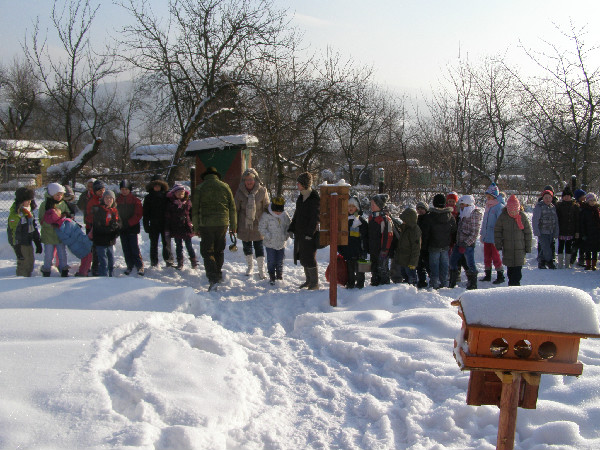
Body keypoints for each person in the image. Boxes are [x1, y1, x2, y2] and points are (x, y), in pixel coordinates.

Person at [191, 167, 237, 289]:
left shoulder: (200, 188)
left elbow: (195, 210)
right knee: (219, 250)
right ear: (216, 175)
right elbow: (232, 207)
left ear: (206, 176)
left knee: (208, 251)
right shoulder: (225, 186)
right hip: (222, 223)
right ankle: (218, 273)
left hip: (206, 224)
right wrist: (233, 225)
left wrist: (196, 227)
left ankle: (213, 278)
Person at [43, 196, 93, 277]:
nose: (57, 209)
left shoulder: (59, 227)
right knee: (87, 257)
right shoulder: (65, 224)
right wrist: (87, 239)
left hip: (75, 246)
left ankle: (83, 270)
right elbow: (76, 234)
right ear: (56, 216)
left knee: (85, 258)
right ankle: (83, 273)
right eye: (56, 210)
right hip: (80, 244)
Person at [235, 168, 269, 279]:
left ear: (255, 179)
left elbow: (266, 207)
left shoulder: (262, 191)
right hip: (244, 224)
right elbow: (236, 209)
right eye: (246, 179)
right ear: (243, 181)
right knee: (247, 246)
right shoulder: (239, 192)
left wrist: (267, 222)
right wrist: (234, 224)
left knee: (259, 246)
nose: (249, 182)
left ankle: (261, 270)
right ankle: (250, 267)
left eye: (251, 179)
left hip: (258, 223)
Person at [289, 172, 321, 290]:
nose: (297, 184)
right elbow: (297, 214)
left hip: (309, 234)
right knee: (302, 257)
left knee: (309, 257)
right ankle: (308, 280)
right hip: (300, 233)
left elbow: (315, 218)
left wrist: (310, 233)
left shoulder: (314, 198)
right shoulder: (301, 197)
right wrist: (292, 227)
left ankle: (314, 283)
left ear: (304, 184)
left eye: (299, 183)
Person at [494, 195, 532, 286]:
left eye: (514, 210)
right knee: (510, 271)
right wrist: (498, 244)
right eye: (510, 210)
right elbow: (497, 231)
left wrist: (528, 247)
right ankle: (511, 286)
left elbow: (528, 233)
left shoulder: (522, 216)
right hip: (508, 249)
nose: (512, 212)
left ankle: (516, 287)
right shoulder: (503, 217)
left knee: (517, 272)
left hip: (520, 248)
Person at [421, 193, 456, 289]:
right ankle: (444, 282)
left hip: (433, 245)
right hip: (445, 245)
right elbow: (454, 229)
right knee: (444, 265)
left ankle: (434, 283)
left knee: (434, 266)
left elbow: (426, 233)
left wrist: (424, 246)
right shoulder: (450, 216)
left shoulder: (429, 216)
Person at [449, 194, 483, 290]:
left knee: (470, 263)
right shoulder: (463, 213)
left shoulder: (474, 214)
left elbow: (474, 232)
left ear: (468, 204)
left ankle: (472, 283)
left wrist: (466, 243)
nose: (461, 206)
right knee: (452, 261)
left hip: (468, 244)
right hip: (459, 242)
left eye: (463, 204)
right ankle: (453, 281)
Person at [8, 187, 42, 276]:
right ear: (21, 201)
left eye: (30, 200)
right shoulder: (16, 215)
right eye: (27, 200)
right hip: (20, 243)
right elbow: (13, 232)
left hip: (28, 241)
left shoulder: (29, 213)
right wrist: (17, 247)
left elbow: (33, 228)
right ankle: (21, 279)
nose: (29, 202)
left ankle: (27, 278)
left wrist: (37, 242)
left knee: (30, 262)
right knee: (24, 263)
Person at [258, 196, 291, 285]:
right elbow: (261, 228)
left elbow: (289, 226)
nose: (278, 213)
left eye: (280, 211)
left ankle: (279, 275)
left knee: (280, 260)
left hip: (281, 243)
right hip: (270, 243)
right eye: (277, 211)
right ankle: (272, 275)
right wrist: (268, 236)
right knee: (271, 260)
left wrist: (286, 235)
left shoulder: (285, 215)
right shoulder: (266, 216)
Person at [39, 183, 70, 277]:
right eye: (57, 195)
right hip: (49, 234)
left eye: (61, 195)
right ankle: (46, 269)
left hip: (60, 234)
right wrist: (50, 224)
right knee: (48, 254)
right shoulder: (45, 204)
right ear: (52, 194)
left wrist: (65, 216)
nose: (59, 197)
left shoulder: (63, 204)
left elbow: (68, 213)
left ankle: (64, 268)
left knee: (62, 253)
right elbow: (41, 219)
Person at [338, 194, 368, 289]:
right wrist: (340, 248)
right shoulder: (344, 220)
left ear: (357, 208)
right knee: (350, 268)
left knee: (360, 269)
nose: (350, 208)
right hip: (348, 249)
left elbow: (366, 236)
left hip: (360, 249)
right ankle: (350, 283)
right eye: (349, 206)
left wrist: (365, 248)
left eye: (353, 206)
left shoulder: (360, 221)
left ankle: (360, 284)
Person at [143, 175, 174, 267]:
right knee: (153, 244)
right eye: (155, 185)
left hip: (165, 223)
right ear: (152, 186)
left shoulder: (167, 196)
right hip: (153, 223)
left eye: (159, 185)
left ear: (162, 186)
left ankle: (169, 260)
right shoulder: (148, 197)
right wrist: (146, 225)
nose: (157, 187)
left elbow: (172, 210)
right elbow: (145, 213)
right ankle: (154, 262)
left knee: (166, 243)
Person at [165, 184, 197, 270]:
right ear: (174, 193)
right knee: (178, 246)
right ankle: (180, 262)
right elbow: (168, 216)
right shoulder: (171, 204)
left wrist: (193, 224)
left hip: (186, 226)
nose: (180, 195)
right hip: (176, 227)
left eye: (182, 193)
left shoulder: (188, 202)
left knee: (189, 245)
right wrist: (168, 228)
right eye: (178, 193)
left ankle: (193, 261)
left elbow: (192, 214)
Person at [116, 179, 145, 276]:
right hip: (121, 227)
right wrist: (119, 222)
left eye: (126, 189)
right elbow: (114, 212)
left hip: (132, 227)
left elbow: (138, 214)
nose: (124, 191)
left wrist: (129, 223)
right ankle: (129, 265)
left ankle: (139, 265)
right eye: (122, 189)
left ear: (129, 190)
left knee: (134, 247)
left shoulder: (135, 200)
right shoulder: (117, 200)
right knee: (126, 247)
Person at [479, 183, 506, 284]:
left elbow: (500, 223)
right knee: (487, 256)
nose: (488, 199)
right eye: (487, 197)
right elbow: (485, 221)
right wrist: (482, 233)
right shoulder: (488, 206)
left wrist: (500, 236)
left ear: (494, 196)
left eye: (489, 197)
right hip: (487, 236)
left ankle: (500, 275)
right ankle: (488, 274)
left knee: (495, 256)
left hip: (494, 237)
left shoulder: (499, 207)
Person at [92, 190, 121, 277]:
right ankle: (103, 279)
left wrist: (116, 229)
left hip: (110, 241)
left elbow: (119, 223)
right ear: (103, 199)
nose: (108, 200)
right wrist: (109, 229)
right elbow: (97, 226)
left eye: (110, 198)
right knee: (103, 262)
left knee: (111, 261)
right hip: (100, 241)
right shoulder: (99, 210)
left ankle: (111, 277)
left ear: (113, 200)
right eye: (106, 198)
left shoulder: (114, 211)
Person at [367, 193, 394, 286]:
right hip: (373, 248)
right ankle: (375, 281)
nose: (371, 206)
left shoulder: (384, 219)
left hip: (382, 249)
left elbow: (388, 235)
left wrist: (385, 249)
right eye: (371, 204)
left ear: (379, 206)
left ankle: (384, 284)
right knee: (373, 266)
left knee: (382, 267)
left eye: (373, 204)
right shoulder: (371, 217)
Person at [391, 207, 422, 286]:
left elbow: (416, 249)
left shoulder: (414, 230)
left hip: (410, 261)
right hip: (403, 259)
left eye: (404, 220)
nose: (403, 222)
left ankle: (412, 288)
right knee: (404, 275)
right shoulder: (404, 228)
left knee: (411, 276)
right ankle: (406, 288)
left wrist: (413, 262)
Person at [532, 189, 559, 269]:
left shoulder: (553, 207)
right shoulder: (539, 207)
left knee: (546, 247)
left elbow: (556, 220)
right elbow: (535, 220)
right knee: (546, 248)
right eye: (546, 198)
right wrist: (536, 231)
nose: (547, 199)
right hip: (542, 231)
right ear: (543, 198)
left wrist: (556, 231)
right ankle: (549, 262)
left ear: (552, 198)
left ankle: (541, 262)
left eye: (549, 198)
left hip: (551, 231)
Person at [85, 179, 106, 276]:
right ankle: (95, 266)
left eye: (102, 190)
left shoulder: (106, 198)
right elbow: (89, 215)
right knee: (95, 248)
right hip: (93, 228)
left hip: (104, 228)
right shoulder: (92, 201)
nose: (101, 192)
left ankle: (103, 264)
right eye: (99, 190)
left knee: (103, 248)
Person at [555, 186, 579, 269]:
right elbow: (556, 218)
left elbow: (577, 220)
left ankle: (567, 263)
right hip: (561, 230)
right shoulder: (559, 206)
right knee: (560, 246)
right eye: (565, 196)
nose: (566, 197)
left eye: (568, 196)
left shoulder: (575, 207)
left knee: (568, 247)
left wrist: (576, 231)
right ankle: (560, 263)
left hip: (570, 230)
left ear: (571, 197)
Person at [579, 193, 600, 271]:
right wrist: (583, 233)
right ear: (587, 201)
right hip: (587, 232)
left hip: (596, 233)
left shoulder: (597, 210)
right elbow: (582, 223)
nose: (592, 202)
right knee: (588, 250)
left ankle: (594, 264)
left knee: (595, 250)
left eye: (593, 201)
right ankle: (588, 264)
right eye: (590, 201)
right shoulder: (585, 210)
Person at [415, 201, 430, 288]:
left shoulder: (428, 219)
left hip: (427, 246)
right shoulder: (418, 219)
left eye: (422, 209)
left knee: (428, 265)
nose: (420, 211)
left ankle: (432, 279)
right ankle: (422, 280)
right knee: (419, 265)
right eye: (418, 209)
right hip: (419, 246)